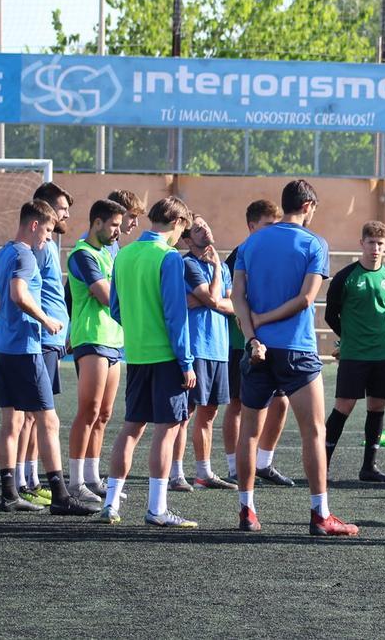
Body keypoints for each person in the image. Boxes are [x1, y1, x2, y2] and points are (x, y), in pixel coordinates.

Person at [232, 180, 357, 535]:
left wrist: (253, 333)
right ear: (307, 205)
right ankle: (321, 515)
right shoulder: (314, 243)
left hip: (256, 349)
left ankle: (247, 511)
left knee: (249, 435)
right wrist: (265, 320)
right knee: (314, 432)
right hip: (297, 350)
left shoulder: (251, 242)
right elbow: (305, 300)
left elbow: (237, 296)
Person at [0, 200, 96, 515]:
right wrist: (45, 320)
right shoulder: (25, 255)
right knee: (48, 420)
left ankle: (9, 494)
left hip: (1, 348)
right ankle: (60, 495)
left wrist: (5, 315)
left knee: (12, 421)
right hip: (24, 350)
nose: (47, 238)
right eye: (46, 231)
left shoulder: (3, 252)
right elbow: (18, 294)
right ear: (33, 225)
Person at [97, 197, 198, 527]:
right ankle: (157, 508)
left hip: (137, 355)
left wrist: (139, 328)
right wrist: (186, 362)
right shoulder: (168, 257)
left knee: (131, 427)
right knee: (166, 432)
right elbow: (175, 314)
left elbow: (114, 308)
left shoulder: (123, 254)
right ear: (178, 223)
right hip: (167, 356)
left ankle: (111, 504)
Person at [221, 200, 293, 487]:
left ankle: (263, 463)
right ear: (252, 226)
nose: (274, 232)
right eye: (268, 226)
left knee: (281, 402)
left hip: (272, 340)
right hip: (243, 342)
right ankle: (233, 467)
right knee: (238, 404)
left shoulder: (276, 253)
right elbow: (233, 297)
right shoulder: (240, 254)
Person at [323, 220, 385, 483]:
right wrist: (349, 338)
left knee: (378, 406)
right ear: (361, 244)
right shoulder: (346, 277)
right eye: (371, 243)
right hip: (354, 354)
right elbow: (330, 315)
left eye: (380, 244)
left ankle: (369, 467)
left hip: (382, 354)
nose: (375, 248)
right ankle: (322, 465)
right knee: (343, 407)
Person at [17, 183, 76, 505]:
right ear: (46, 208)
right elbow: (26, 288)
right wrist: (44, 324)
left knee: (34, 413)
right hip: (43, 338)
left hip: (51, 338)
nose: (66, 215)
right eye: (62, 208)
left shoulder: (50, 243)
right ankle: (27, 480)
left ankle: (29, 477)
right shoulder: (38, 245)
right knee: (32, 414)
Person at [66, 199, 127, 501]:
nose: (118, 231)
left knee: (104, 414)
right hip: (91, 338)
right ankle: (75, 482)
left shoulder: (110, 252)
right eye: (114, 225)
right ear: (98, 223)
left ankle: (92, 477)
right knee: (88, 411)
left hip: (114, 339)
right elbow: (105, 295)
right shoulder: (82, 254)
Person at [176, 215, 238, 490]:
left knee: (209, 412)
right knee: (185, 412)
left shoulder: (223, 266)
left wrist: (204, 300)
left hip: (219, 348)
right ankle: (175, 473)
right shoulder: (188, 264)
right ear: (188, 240)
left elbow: (233, 303)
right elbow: (215, 298)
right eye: (198, 229)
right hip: (197, 347)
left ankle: (204, 473)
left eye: (206, 225)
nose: (206, 230)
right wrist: (214, 273)